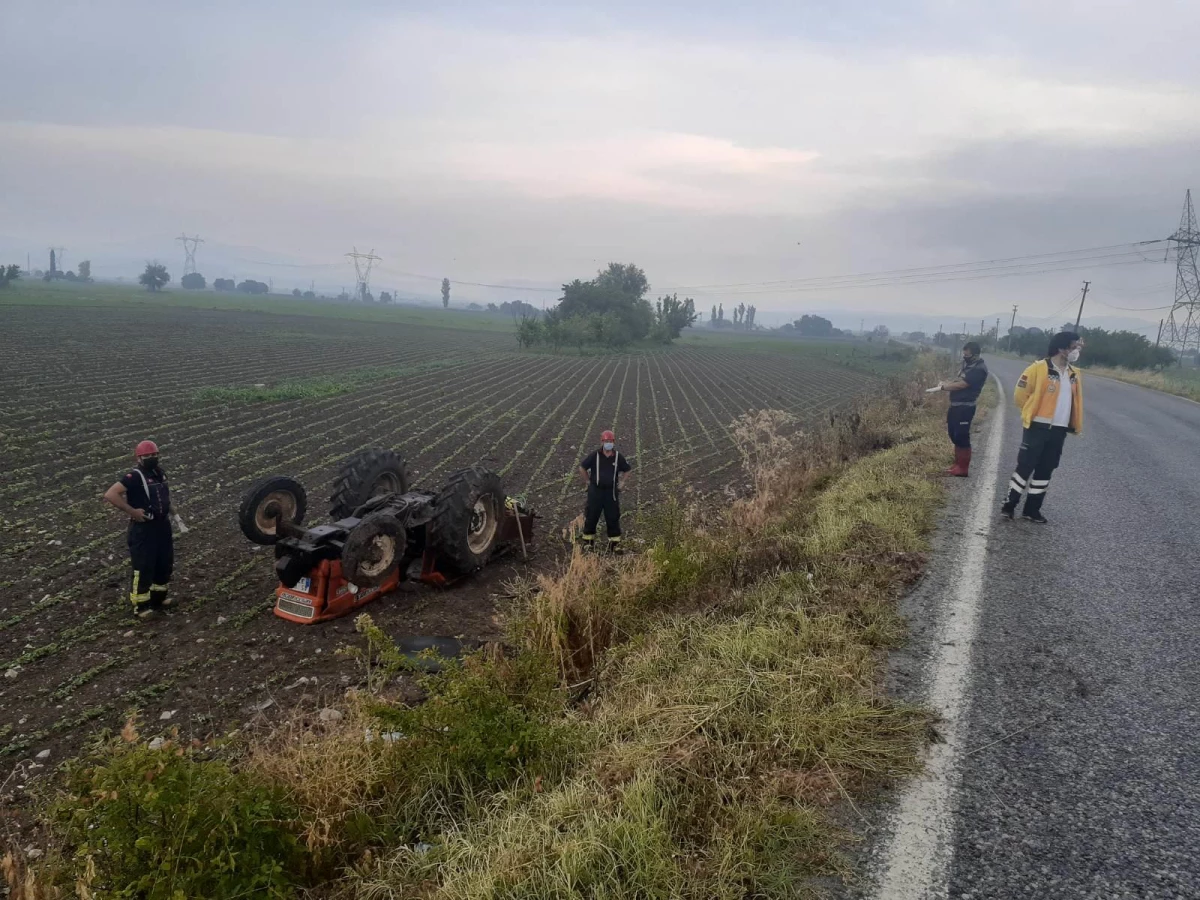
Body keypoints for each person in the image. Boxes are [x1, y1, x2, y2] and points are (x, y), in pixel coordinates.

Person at [1001, 331, 1084, 523]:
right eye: (1074, 347)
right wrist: (1030, 412)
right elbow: (1020, 395)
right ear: (1062, 348)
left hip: (1059, 429)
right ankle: (1009, 505)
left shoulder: (1074, 374)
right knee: (1025, 466)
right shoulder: (1038, 368)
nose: (1076, 351)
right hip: (1037, 427)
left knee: (1046, 470)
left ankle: (1032, 510)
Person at [103, 440, 175, 618]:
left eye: (154, 454)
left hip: (162, 525)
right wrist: (132, 511)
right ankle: (141, 606)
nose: (152, 458)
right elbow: (111, 494)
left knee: (164, 562)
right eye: (147, 455)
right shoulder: (134, 476)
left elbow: (164, 495)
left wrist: (172, 509)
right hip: (144, 529)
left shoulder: (160, 473)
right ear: (139, 458)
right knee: (143, 566)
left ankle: (159, 599)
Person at [937, 341, 989, 476]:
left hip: (965, 407)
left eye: (967, 353)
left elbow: (963, 385)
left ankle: (963, 468)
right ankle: (957, 464)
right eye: (964, 352)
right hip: (955, 406)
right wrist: (947, 383)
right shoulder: (968, 366)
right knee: (953, 434)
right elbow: (958, 380)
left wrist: (945, 387)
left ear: (974, 353)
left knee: (961, 436)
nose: (964, 355)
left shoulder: (979, 368)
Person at [578, 429, 633, 552]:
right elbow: (582, 467)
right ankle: (588, 543)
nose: (608, 443)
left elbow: (628, 469)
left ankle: (614, 544)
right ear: (602, 442)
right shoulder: (595, 455)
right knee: (592, 515)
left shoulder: (618, 457)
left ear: (613, 442)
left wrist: (622, 482)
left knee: (612, 516)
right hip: (596, 491)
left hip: (611, 492)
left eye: (610, 441)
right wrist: (587, 482)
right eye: (606, 441)